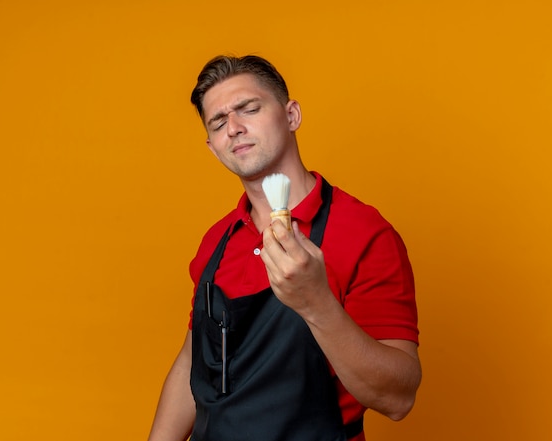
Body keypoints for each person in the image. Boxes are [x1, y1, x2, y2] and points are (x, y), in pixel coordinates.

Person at [148, 55, 421, 441]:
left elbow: (398, 397)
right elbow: (195, 358)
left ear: (291, 115)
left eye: (249, 109)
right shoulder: (216, 242)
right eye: (219, 122)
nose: (235, 128)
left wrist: (316, 303)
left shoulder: (363, 233)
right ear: (212, 147)